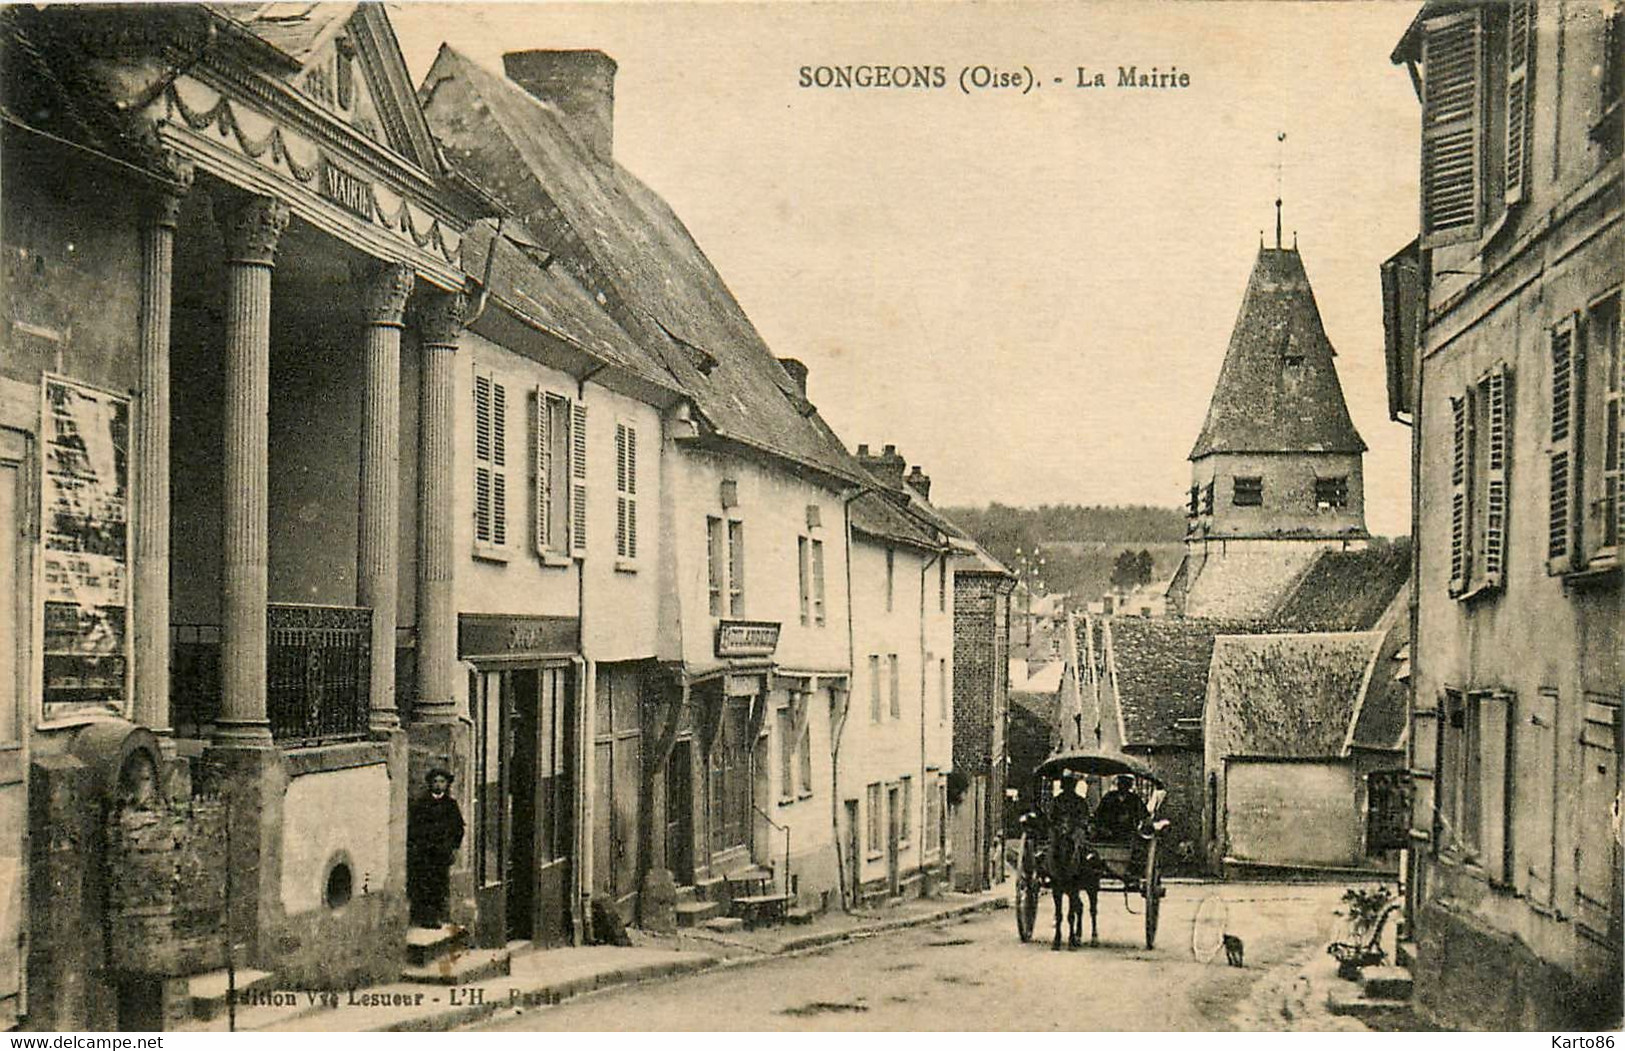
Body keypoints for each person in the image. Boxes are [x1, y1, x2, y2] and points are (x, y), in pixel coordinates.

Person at [408, 767, 465, 928]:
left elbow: (458, 828)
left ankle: (437, 915)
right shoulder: (421, 803)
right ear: (430, 784)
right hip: (425, 852)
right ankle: (427, 917)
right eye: (435, 782)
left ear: (447, 784)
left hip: (442, 852)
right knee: (425, 883)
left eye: (442, 782)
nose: (439, 785)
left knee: (440, 884)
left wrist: (453, 847)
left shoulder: (451, 804)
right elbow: (414, 827)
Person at [1095, 774, 1147, 840]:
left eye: (1126, 783)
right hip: (1108, 835)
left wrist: (1139, 829)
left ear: (1130, 785)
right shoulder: (1109, 797)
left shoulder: (1135, 799)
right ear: (1118, 783)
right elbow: (1098, 815)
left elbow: (1144, 816)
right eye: (1121, 782)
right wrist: (1102, 828)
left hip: (1128, 835)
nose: (1123, 786)